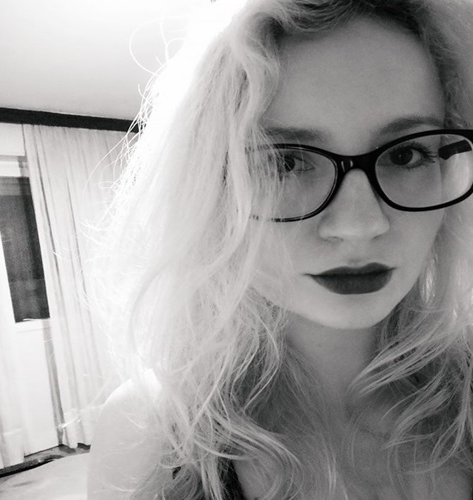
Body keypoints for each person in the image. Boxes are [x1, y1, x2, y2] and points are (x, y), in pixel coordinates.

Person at [87, 0, 473, 498]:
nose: (360, 225)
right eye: (284, 162)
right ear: (211, 190)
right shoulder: (149, 433)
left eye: (406, 154)